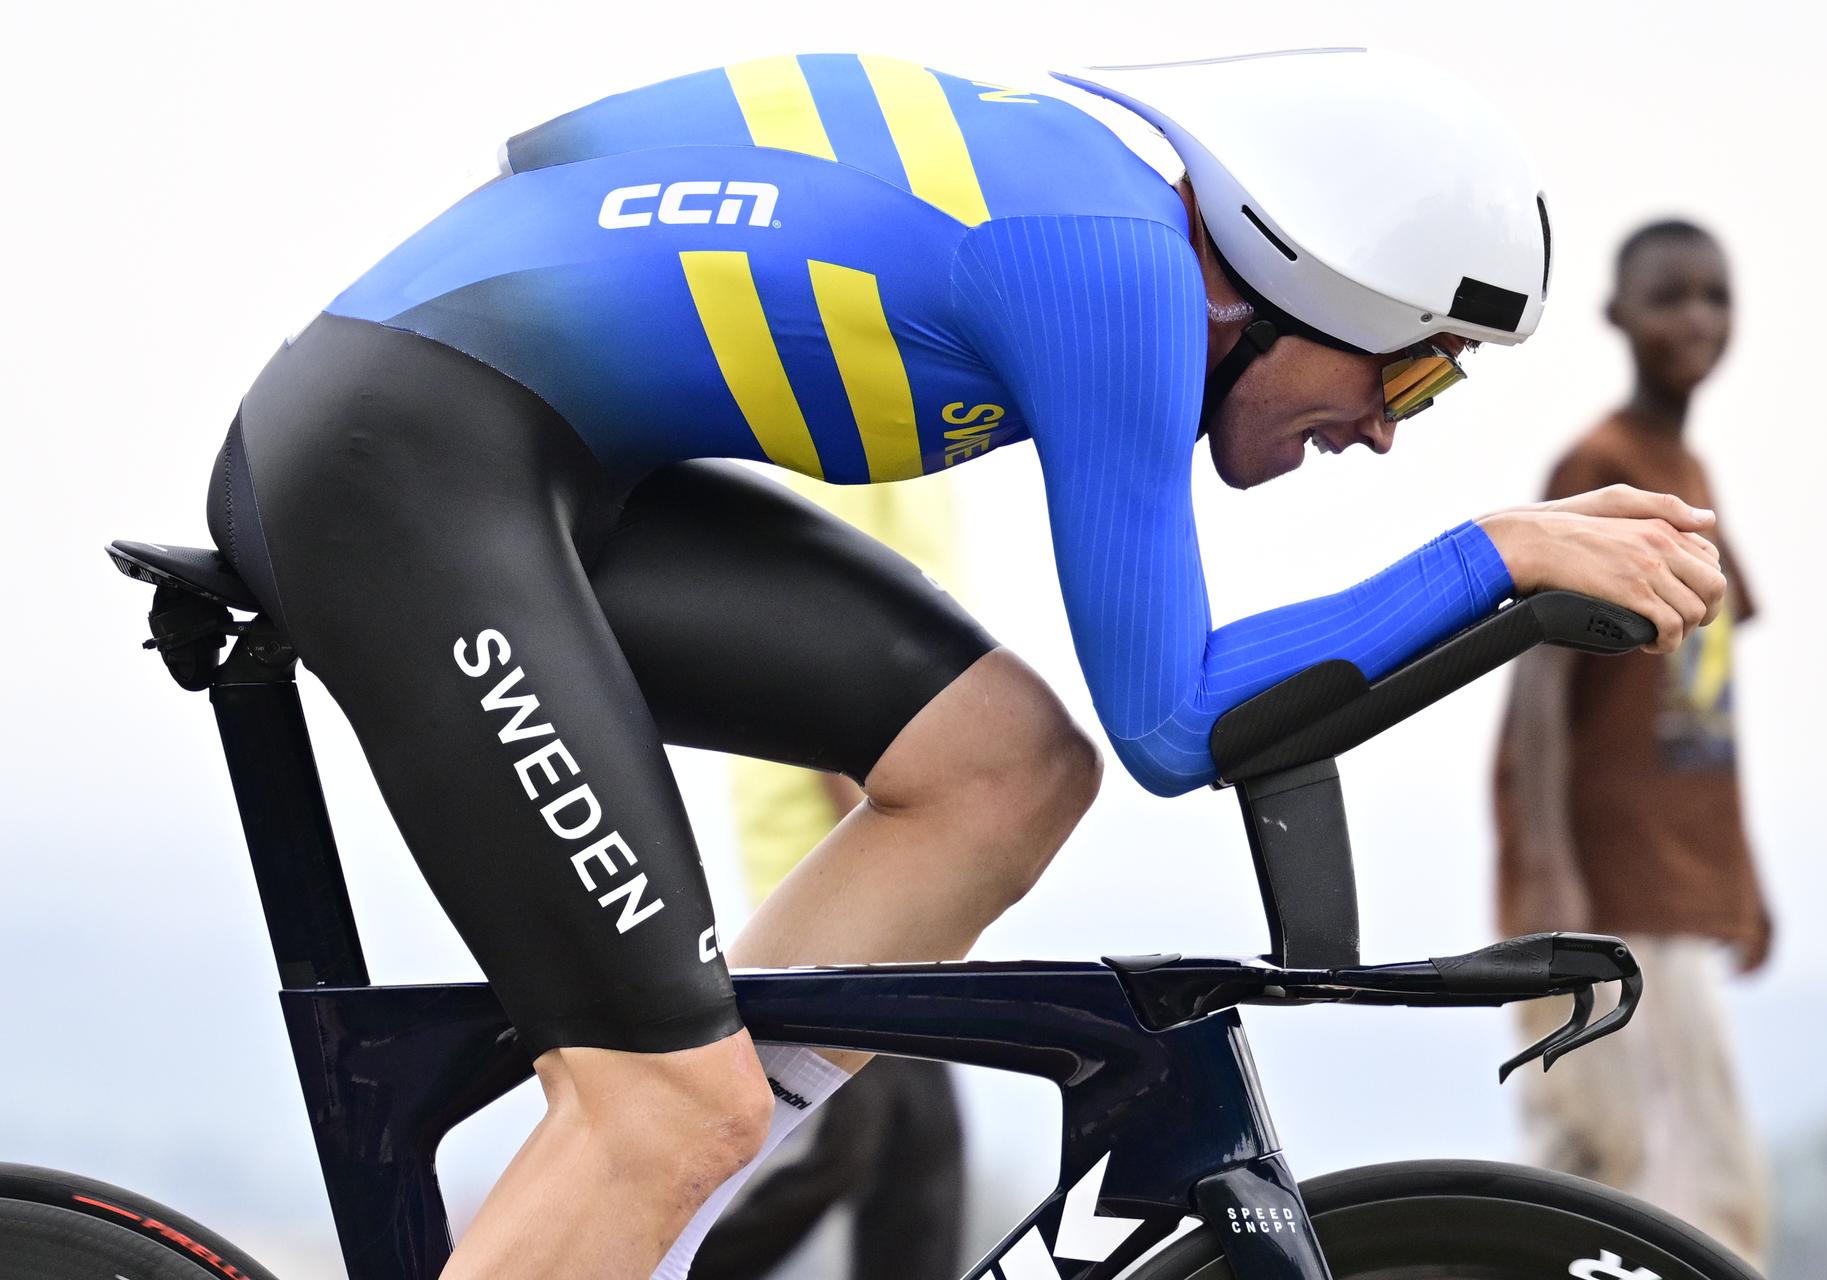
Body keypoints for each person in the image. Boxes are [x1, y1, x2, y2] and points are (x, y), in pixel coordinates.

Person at [199, 49, 1726, 1279]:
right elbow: (1178, 719)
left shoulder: (1115, 226)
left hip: (528, 457)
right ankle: (654, 1159)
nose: (1390, 426)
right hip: (393, 464)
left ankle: (651, 1214)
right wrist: (1493, 558)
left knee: (1003, 770)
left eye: (1434, 394)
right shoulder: (1116, 267)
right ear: (1304, 280)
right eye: (1413, 366)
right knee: (665, 1104)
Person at [1493, 218, 1770, 1265]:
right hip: (1604, 891)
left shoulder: (1686, 469)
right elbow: (1538, 681)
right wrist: (1547, 870)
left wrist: (1743, 879)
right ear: (1617, 315)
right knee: (1608, 1171)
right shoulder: (1604, 465)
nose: (1695, 318)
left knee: (1706, 1188)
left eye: (1714, 295)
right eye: (1670, 296)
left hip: (1672, 889)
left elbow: (1703, 702)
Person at [697, 479, 967, 1280]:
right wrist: (892, 827)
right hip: (844, 862)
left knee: (919, 1150)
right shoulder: (874, 466)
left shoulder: (938, 480)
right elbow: (823, 652)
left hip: (889, 864)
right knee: (846, 1141)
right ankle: (632, 1261)